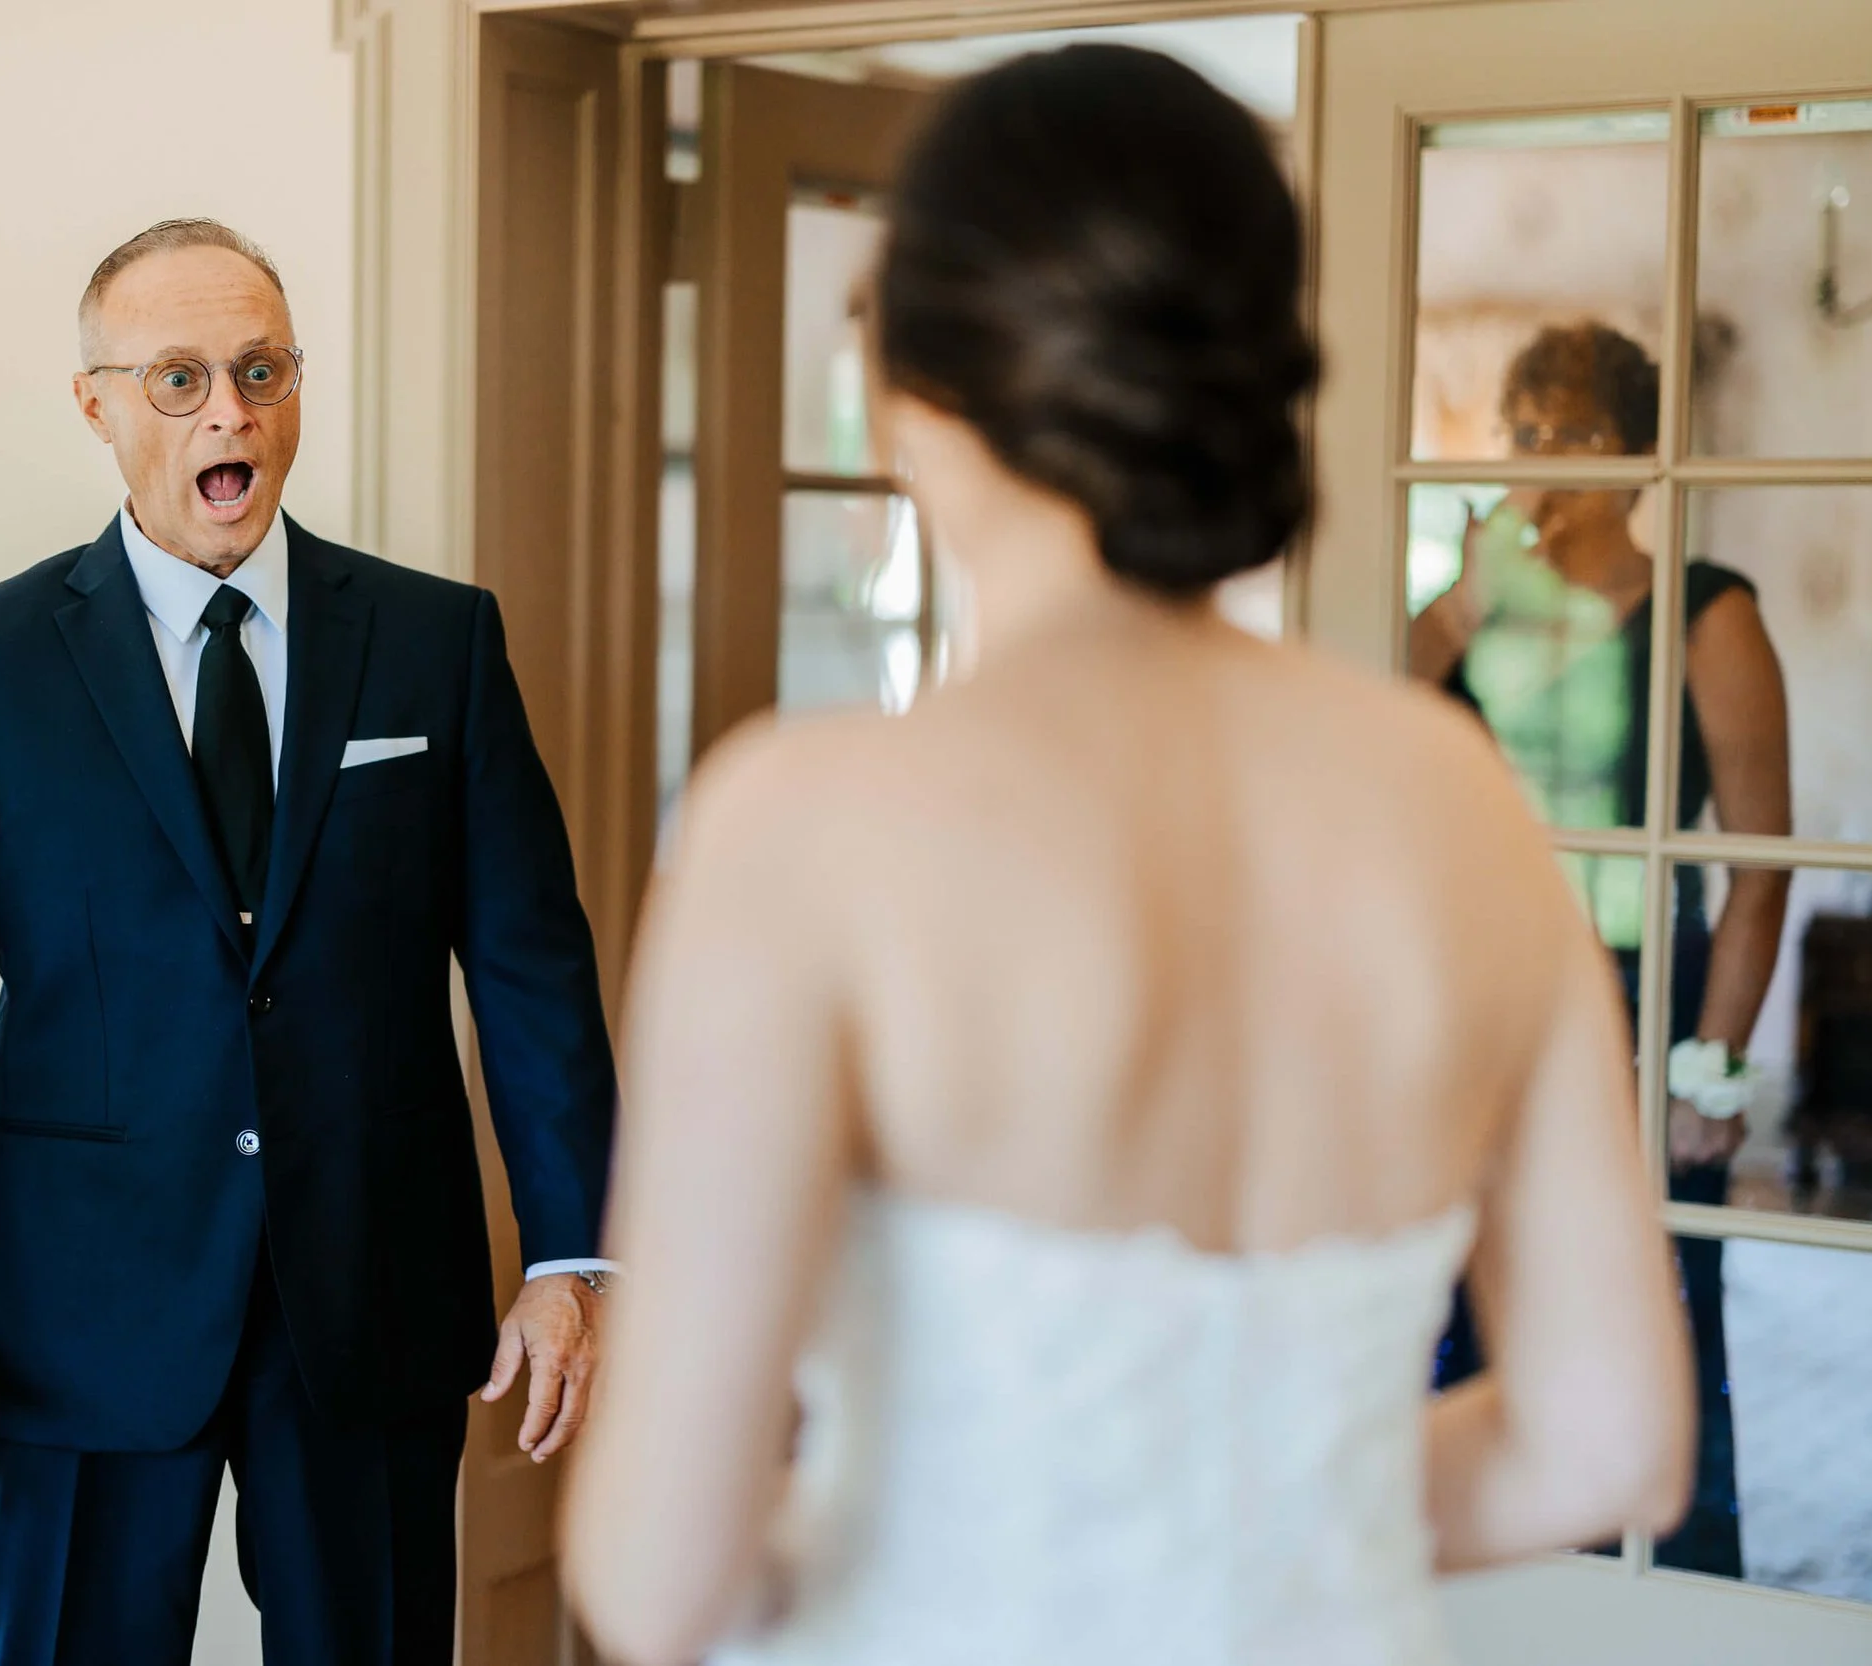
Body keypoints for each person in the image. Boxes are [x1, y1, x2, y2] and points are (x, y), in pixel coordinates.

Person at [562, 46, 1693, 1666]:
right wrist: (1270, 1519)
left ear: (907, 385)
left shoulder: (807, 827)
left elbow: (661, 1578)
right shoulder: (1455, 803)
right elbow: (1607, 1443)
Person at [0, 218, 618, 1665]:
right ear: (98, 405)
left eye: (260, 370)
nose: (228, 412)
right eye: (177, 379)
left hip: (373, 1300)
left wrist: (571, 1252)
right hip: (80, 1315)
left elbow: (533, 971)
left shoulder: (439, 642)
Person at [1410, 321, 1792, 1579]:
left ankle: (1659, 1598)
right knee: (1458, 1297)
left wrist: (1711, 1070)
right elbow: (1369, 731)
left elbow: (1754, 864)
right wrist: (1468, 600)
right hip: (1474, 1002)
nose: (1547, 463)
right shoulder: (1468, 609)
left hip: (1640, 1000)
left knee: (1647, 1297)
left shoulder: (1707, 612)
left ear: (1637, 459)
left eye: (1575, 433)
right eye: (1525, 436)